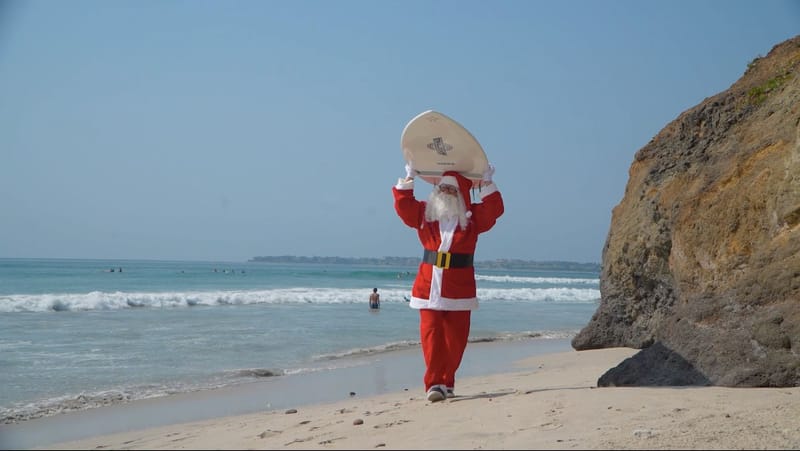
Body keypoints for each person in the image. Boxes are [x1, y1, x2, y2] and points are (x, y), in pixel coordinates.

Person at [392, 162, 504, 402]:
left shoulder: (473, 220)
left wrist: (486, 184)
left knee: (455, 340)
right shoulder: (424, 214)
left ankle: (447, 380)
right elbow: (403, 207)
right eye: (442, 188)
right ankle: (434, 384)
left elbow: (494, 210)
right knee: (431, 336)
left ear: (461, 194)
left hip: (459, 288)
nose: (446, 193)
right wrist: (408, 178)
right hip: (427, 285)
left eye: (451, 190)